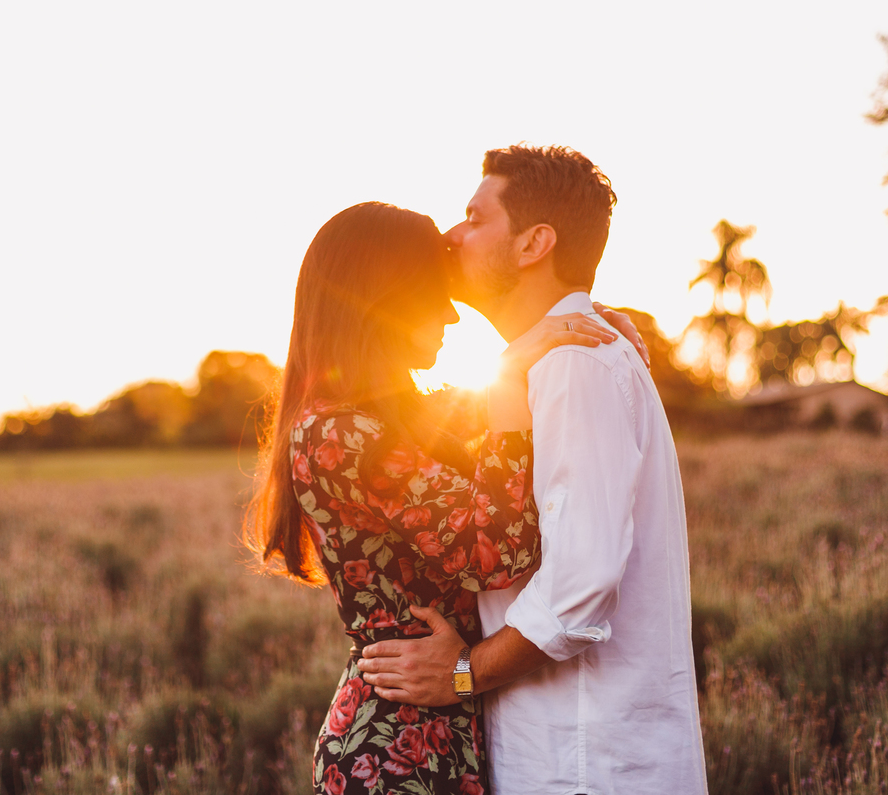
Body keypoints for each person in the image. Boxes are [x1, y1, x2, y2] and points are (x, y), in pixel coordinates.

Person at [244, 201, 646, 794]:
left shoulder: (389, 419)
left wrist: (581, 315)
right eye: (436, 292)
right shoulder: (337, 434)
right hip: (394, 748)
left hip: (432, 722)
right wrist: (510, 376)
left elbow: (467, 403)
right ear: (389, 300)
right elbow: (499, 551)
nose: (453, 317)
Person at [357, 146, 709, 794]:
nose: (451, 234)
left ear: (533, 244)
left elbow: (581, 584)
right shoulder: (551, 358)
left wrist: (461, 674)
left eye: (473, 216)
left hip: (584, 762)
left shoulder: (574, 364)